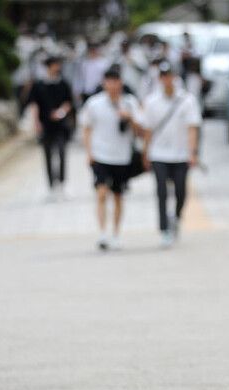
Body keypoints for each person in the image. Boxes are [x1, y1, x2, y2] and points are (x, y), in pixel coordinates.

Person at [80, 66, 143, 250]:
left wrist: (129, 118)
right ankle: (102, 233)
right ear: (104, 83)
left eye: (116, 81)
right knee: (101, 193)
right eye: (109, 82)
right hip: (100, 155)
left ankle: (116, 234)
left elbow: (141, 131)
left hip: (122, 156)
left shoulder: (130, 102)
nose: (113, 85)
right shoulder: (94, 103)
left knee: (118, 195)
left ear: (121, 83)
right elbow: (86, 128)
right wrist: (89, 153)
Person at [141, 61, 201, 247]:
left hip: (181, 154)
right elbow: (148, 129)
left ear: (174, 77)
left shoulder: (187, 100)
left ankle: (176, 217)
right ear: (160, 78)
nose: (167, 79)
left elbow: (192, 128)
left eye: (169, 75)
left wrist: (192, 152)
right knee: (161, 191)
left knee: (181, 191)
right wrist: (145, 152)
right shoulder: (151, 101)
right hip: (158, 153)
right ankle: (164, 228)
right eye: (163, 76)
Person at [27, 55, 73, 201]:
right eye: (54, 64)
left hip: (61, 125)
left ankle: (62, 183)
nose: (57, 67)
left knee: (62, 153)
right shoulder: (39, 85)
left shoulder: (63, 83)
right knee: (47, 155)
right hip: (45, 125)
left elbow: (69, 102)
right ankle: (51, 186)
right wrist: (36, 122)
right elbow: (34, 104)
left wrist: (61, 112)